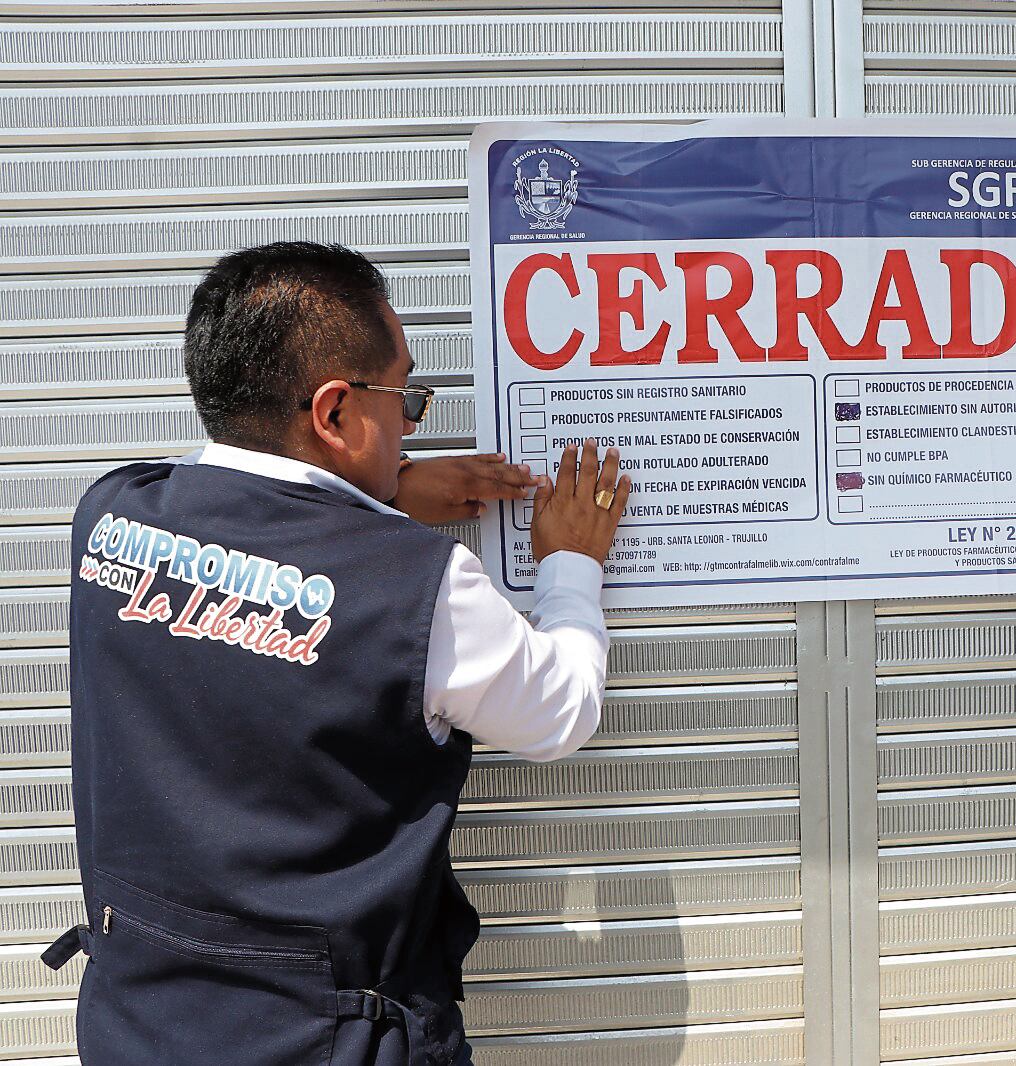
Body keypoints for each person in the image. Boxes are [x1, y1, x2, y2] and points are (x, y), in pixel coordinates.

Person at [43, 241, 631, 1065]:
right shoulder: (420, 589)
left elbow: (258, 548)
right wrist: (570, 565)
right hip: (328, 1040)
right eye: (406, 397)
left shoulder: (110, 515)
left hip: (142, 1024)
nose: (411, 420)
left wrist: (382, 490)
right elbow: (560, 712)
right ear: (333, 413)